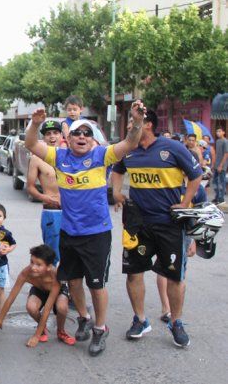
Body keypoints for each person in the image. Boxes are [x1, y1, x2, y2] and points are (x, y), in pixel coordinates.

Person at [25, 99, 146, 357]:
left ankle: (100, 329)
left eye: (87, 133)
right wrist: (35, 124)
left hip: (96, 234)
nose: (82, 136)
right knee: (74, 281)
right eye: (77, 133)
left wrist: (136, 122)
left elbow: (131, 143)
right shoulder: (59, 156)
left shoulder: (102, 155)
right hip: (69, 232)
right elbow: (31, 144)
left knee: (96, 284)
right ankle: (83, 317)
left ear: (93, 140)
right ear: (69, 140)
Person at [110, 110, 202, 347]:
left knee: (173, 275)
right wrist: (118, 192)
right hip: (138, 223)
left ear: (148, 124)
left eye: (135, 122)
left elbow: (196, 175)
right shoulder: (127, 149)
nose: (130, 126)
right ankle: (140, 320)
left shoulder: (172, 148)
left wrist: (184, 203)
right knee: (133, 272)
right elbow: (116, 170)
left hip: (169, 223)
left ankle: (176, 322)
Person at [0, 245, 75, 347]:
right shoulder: (25, 273)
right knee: (31, 306)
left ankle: (61, 331)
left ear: (48, 267)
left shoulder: (55, 276)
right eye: (31, 262)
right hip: (39, 289)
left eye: (38, 265)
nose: (33, 267)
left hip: (57, 292)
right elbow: (11, 298)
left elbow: (47, 309)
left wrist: (36, 336)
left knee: (62, 307)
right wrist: (0, 320)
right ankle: (42, 328)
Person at [26, 120, 63, 263]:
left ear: (61, 135)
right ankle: (51, 283)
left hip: (71, 211)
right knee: (52, 253)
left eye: (55, 133)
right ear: (43, 137)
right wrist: (45, 197)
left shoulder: (69, 155)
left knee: (71, 251)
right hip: (52, 212)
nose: (52, 136)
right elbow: (30, 187)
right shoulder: (37, 159)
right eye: (48, 134)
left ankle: (66, 283)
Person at [213, 128, 228, 204]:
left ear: (223, 132)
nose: (217, 133)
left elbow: (226, 154)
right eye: (217, 131)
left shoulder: (225, 141)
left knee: (221, 182)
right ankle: (216, 197)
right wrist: (214, 164)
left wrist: (221, 166)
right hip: (216, 164)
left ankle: (221, 199)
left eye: (219, 131)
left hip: (222, 165)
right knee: (214, 182)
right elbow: (216, 153)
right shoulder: (217, 141)